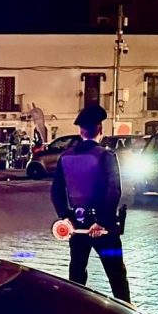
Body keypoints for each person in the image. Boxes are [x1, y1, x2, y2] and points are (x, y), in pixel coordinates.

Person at [50, 104, 130, 303]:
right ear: (100, 130)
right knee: (116, 273)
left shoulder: (65, 157)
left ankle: (76, 312)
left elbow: (56, 191)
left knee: (77, 271)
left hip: (77, 226)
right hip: (103, 229)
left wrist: (65, 217)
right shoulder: (106, 155)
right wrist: (102, 221)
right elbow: (113, 190)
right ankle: (127, 313)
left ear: (80, 131)